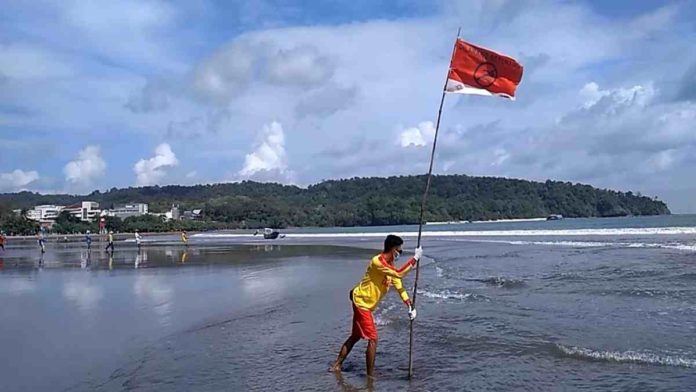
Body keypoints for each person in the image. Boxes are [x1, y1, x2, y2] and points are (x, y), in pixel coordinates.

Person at [329, 235, 422, 378]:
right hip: (361, 303)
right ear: (393, 249)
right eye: (400, 251)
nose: (400, 254)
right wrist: (415, 259)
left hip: (364, 303)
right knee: (373, 338)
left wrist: (409, 305)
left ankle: (337, 365)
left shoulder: (389, 268)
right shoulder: (377, 262)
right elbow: (400, 273)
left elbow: (399, 286)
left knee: (355, 336)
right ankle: (370, 376)